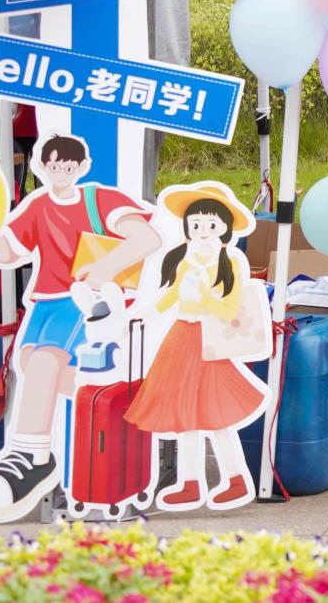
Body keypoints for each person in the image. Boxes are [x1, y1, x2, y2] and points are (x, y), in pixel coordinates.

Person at [0, 136, 161, 523]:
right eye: (54, 165)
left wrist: (105, 267)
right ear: (41, 167)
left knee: (45, 364)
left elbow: (147, 238)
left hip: (83, 298)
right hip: (47, 302)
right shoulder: (39, 205)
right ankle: (99, 419)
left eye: (68, 166)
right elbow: (10, 252)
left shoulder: (99, 199)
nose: (61, 172)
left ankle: (31, 457)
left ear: (81, 168)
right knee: (40, 371)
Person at [127, 183, 269, 512]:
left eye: (210, 224)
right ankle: (190, 484)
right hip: (181, 338)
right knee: (185, 416)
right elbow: (172, 294)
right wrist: (144, 313)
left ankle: (234, 478)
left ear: (224, 228)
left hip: (210, 342)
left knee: (214, 414)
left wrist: (204, 298)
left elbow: (230, 307)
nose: (202, 229)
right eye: (196, 224)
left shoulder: (230, 261)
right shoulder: (185, 258)